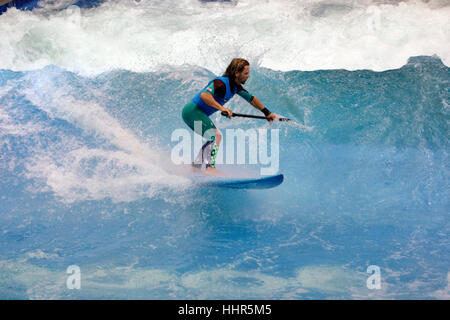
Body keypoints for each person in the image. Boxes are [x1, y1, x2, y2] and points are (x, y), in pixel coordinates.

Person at [181, 58, 276, 175]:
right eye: (246, 73)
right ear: (237, 73)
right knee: (216, 136)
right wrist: (222, 108)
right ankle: (209, 168)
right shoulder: (220, 83)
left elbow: (251, 99)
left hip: (195, 114)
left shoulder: (236, 87)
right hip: (192, 111)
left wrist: (267, 113)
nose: (248, 76)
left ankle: (195, 168)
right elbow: (205, 95)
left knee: (213, 137)